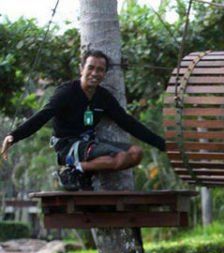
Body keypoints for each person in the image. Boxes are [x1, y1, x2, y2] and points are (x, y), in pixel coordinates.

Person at [1, 50, 165, 191]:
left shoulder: (103, 97)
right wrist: (14, 136)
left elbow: (128, 123)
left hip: (90, 144)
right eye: (91, 68)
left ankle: (78, 170)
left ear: (104, 74)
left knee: (136, 153)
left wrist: (162, 144)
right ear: (81, 69)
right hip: (67, 146)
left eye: (100, 70)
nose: (95, 73)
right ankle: (73, 168)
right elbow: (43, 115)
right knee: (119, 156)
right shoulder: (66, 92)